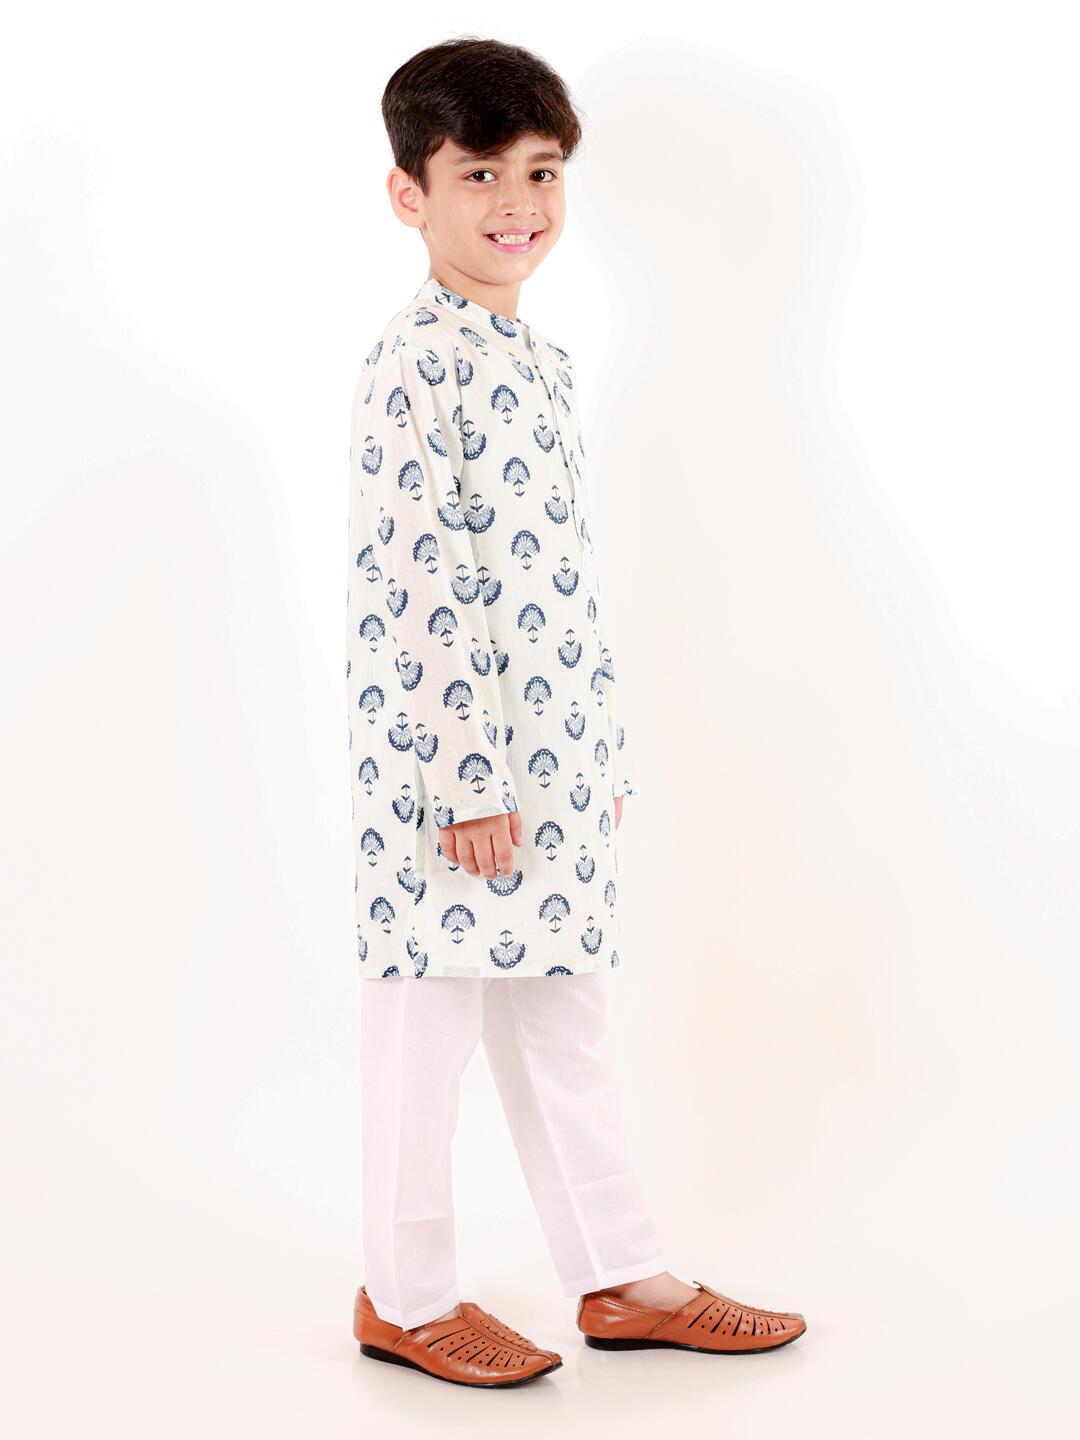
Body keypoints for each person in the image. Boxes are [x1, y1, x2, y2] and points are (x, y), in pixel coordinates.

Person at [345, 36, 806, 1388]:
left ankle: (621, 1274)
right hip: (449, 780)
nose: (518, 202)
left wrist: (590, 752)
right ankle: (403, 1295)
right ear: (410, 194)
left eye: (541, 172)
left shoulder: (536, 359)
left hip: (550, 769)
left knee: (565, 1027)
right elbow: (425, 582)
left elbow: (552, 580)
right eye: (480, 172)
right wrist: (469, 777)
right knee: (424, 1034)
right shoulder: (414, 365)